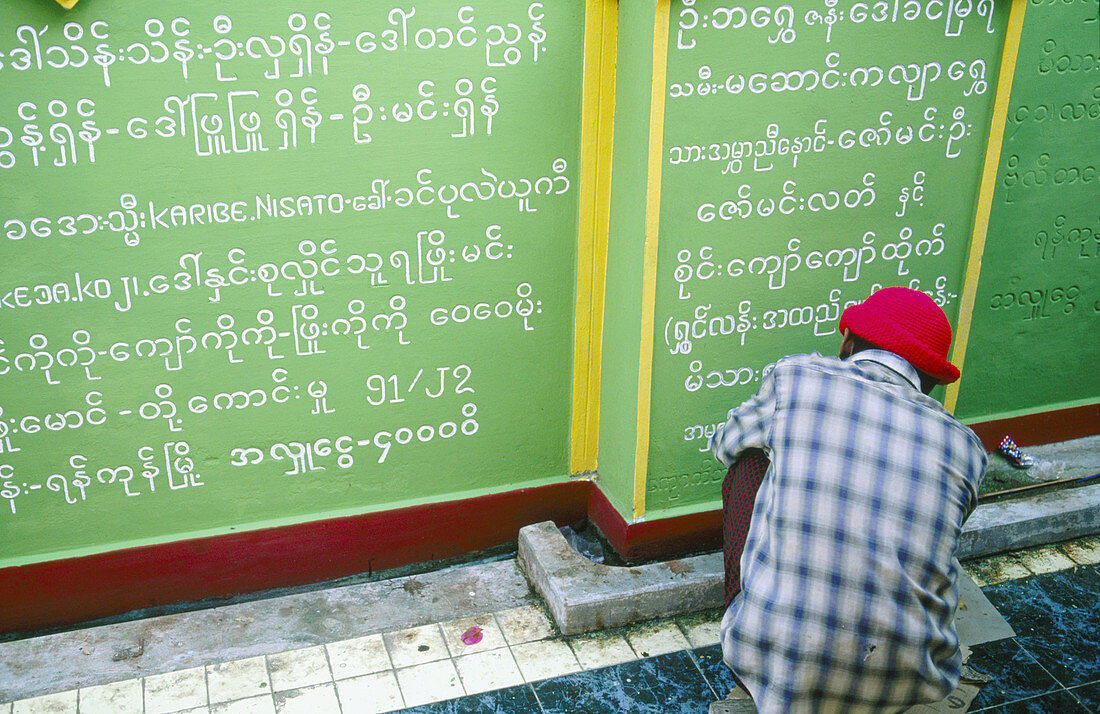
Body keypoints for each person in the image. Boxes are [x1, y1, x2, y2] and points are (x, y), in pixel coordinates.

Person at [709, 286, 987, 713]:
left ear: (847, 343)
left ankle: (758, 637)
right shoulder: (966, 448)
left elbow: (726, 444)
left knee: (747, 466)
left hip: (776, 667)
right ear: (929, 383)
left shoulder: (794, 377)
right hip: (913, 682)